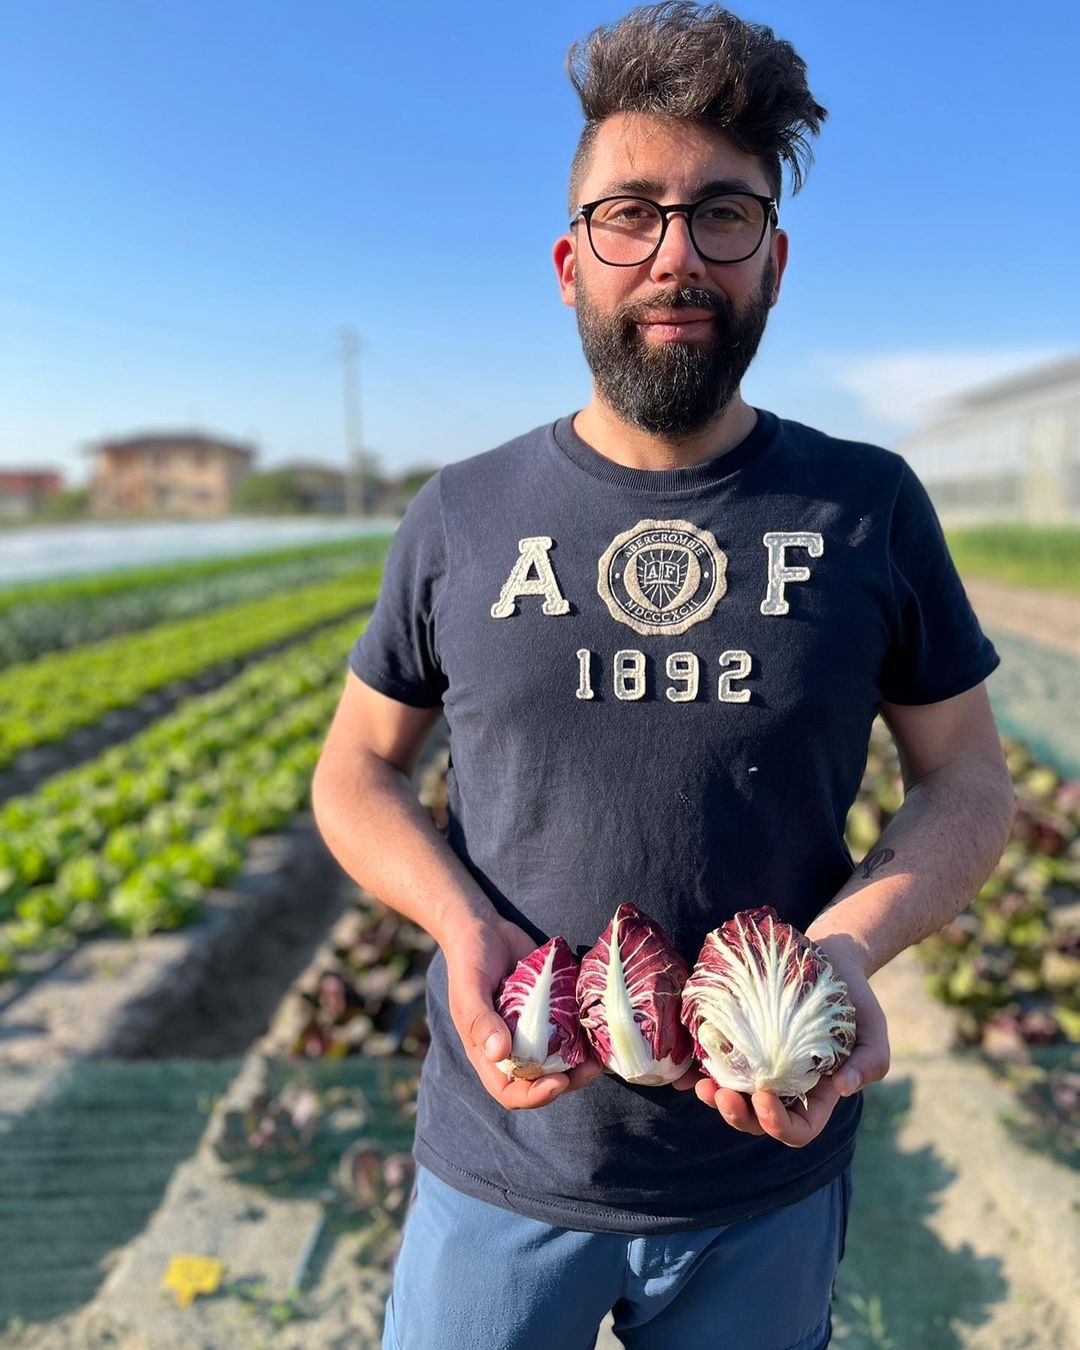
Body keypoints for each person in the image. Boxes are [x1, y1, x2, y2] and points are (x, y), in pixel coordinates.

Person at [311, 4, 1015, 1346]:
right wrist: (460, 928)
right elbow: (355, 770)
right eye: (631, 214)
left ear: (775, 261)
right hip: (504, 1160)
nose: (676, 254)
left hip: (768, 1156)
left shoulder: (867, 505)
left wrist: (847, 951)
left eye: (723, 216)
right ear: (570, 260)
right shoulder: (462, 512)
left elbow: (969, 780)